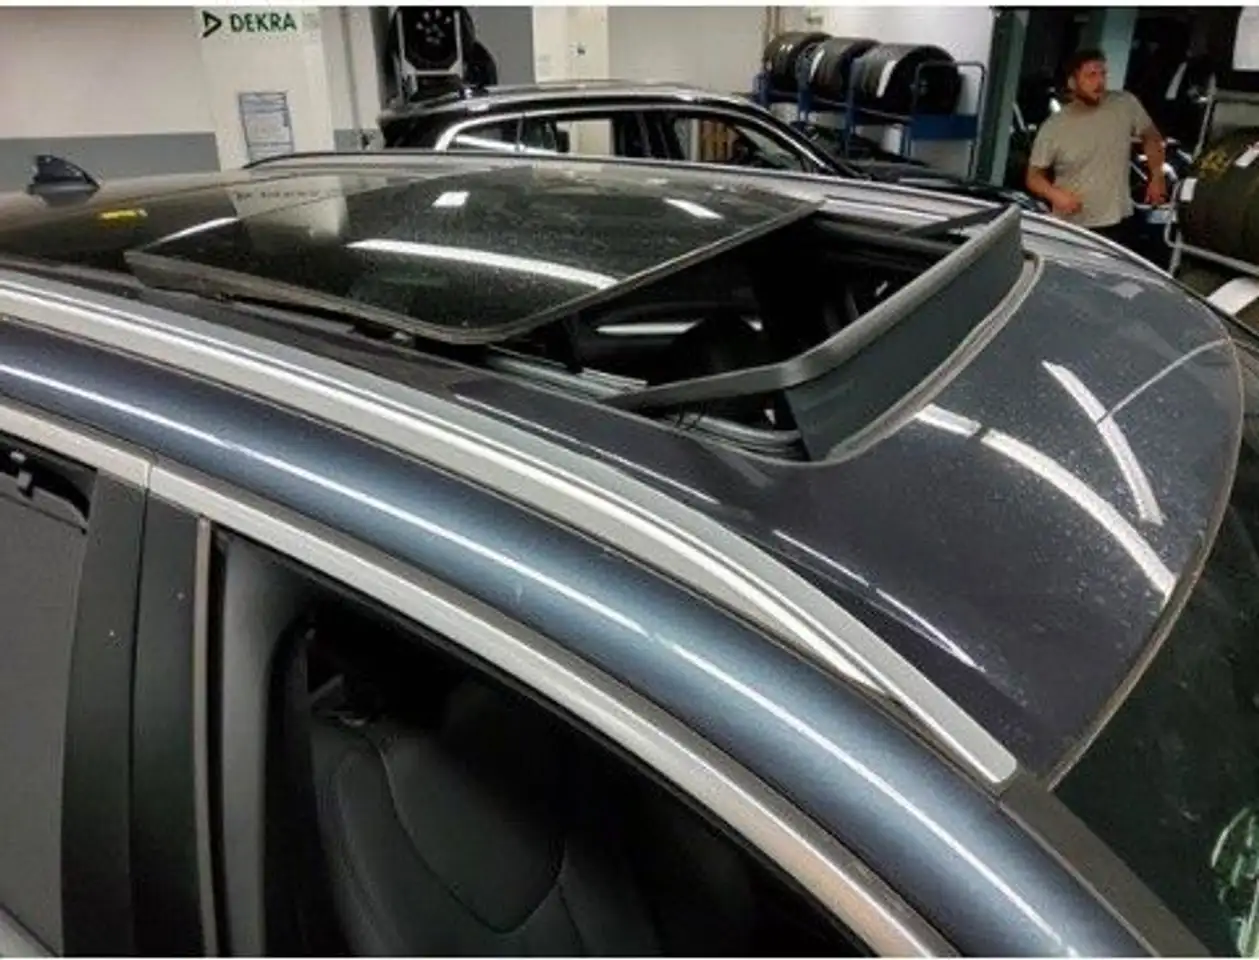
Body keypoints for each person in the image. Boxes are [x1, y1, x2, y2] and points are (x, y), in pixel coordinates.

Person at [1025, 48, 1167, 248]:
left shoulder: (1124, 104)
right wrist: (1055, 195)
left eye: (1103, 74)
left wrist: (1157, 176)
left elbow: (1152, 137)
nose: (1100, 82)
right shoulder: (1054, 127)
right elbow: (1034, 177)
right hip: (1073, 226)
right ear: (1072, 82)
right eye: (1091, 75)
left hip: (1118, 221)